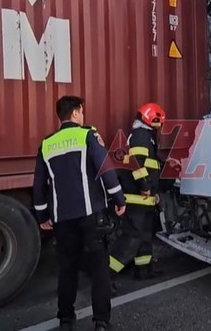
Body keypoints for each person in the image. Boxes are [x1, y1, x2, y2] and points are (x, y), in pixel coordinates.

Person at [32, 96, 127, 331]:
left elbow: (39, 184)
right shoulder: (87, 136)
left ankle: (66, 320)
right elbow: (106, 170)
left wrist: (42, 216)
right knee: (99, 269)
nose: (83, 116)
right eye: (81, 112)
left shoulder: (47, 144)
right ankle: (101, 323)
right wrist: (119, 199)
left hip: (62, 218)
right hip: (91, 214)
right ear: (76, 112)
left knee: (67, 269)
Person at [109, 103, 167, 281]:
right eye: (158, 121)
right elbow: (136, 163)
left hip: (144, 200)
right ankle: (106, 276)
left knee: (144, 237)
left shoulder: (146, 136)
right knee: (131, 239)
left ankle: (143, 270)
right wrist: (145, 186)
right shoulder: (141, 135)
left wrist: (154, 192)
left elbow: (150, 167)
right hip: (137, 198)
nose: (160, 125)